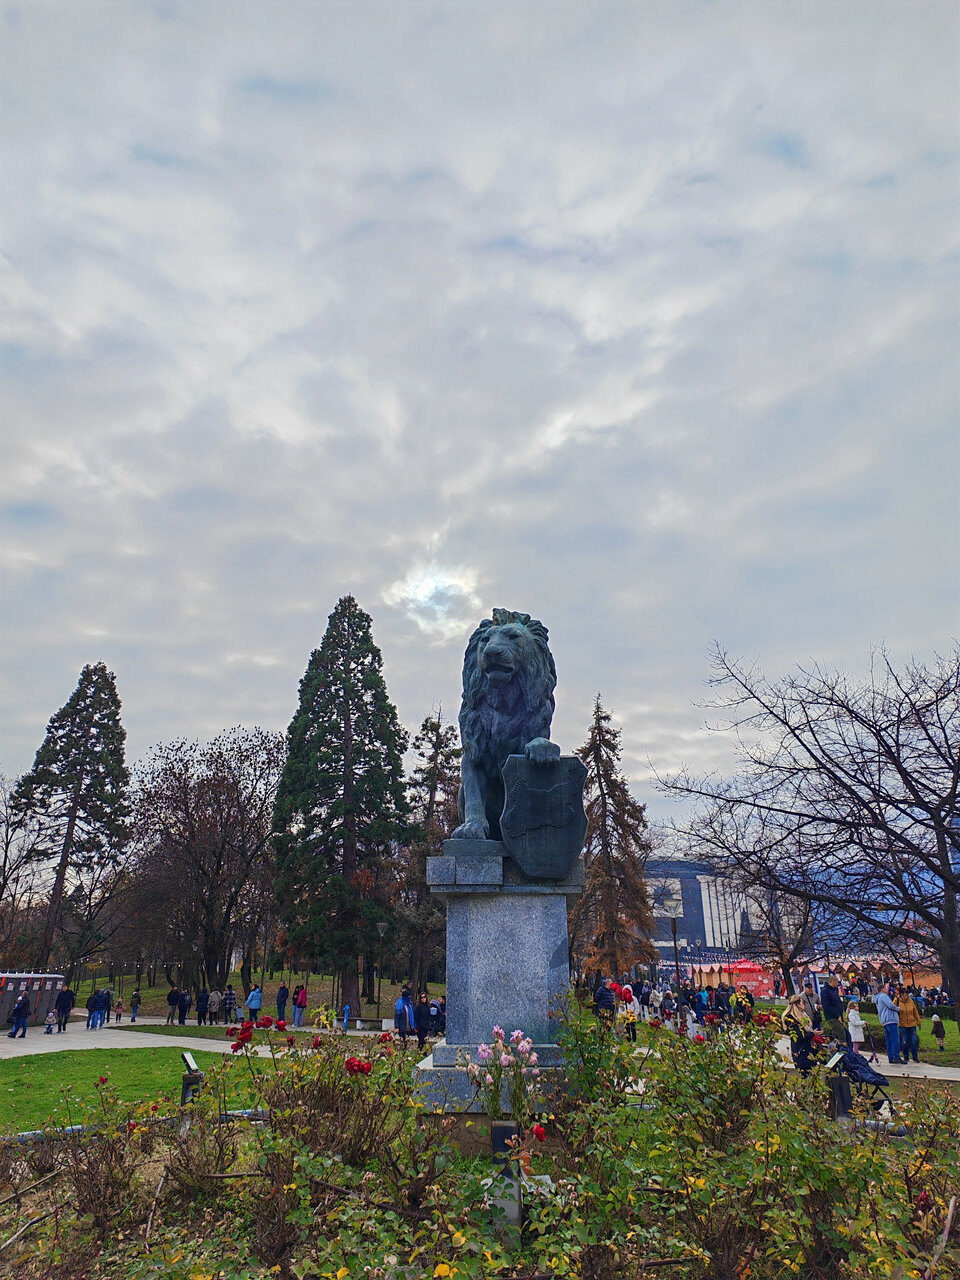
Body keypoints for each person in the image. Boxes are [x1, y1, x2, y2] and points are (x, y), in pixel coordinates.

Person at [781, 995, 813, 1074]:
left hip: (807, 1048)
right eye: (803, 1002)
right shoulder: (790, 1018)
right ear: (798, 1004)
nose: (804, 1005)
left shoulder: (803, 1015)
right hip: (799, 1050)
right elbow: (799, 1036)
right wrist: (812, 1034)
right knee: (803, 1072)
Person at [876, 983, 903, 1064]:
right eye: (886, 988)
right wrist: (898, 1009)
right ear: (882, 989)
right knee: (894, 1039)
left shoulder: (877, 998)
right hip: (890, 1019)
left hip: (884, 1020)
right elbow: (890, 1005)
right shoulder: (883, 996)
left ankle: (891, 1057)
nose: (887, 989)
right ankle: (896, 1057)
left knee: (889, 1040)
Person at [895, 987, 921, 1064]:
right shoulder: (897, 1001)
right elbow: (893, 1008)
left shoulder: (911, 1001)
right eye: (904, 994)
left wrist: (918, 1021)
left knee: (913, 1041)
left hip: (912, 1024)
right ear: (901, 994)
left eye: (907, 994)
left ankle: (915, 1057)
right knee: (904, 1041)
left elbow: (915, 1011)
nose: (905, 996)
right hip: (902, 1024)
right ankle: (906, 1057)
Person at [820, 976, 845, 1042]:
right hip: (832, 1017)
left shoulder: (833, 991)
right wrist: (837, 1015)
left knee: (839, 1034)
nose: (838, 984)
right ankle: (842, 1046)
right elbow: (826, 1006)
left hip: (838, 1017)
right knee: (841, 1034)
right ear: (832, 981)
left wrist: (842, 1019)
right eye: (837, 982)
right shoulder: (825, 991)